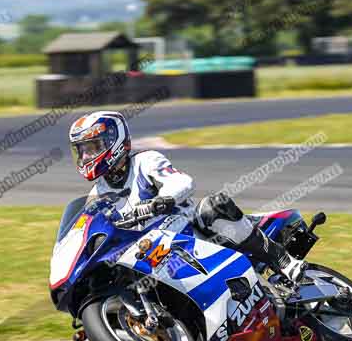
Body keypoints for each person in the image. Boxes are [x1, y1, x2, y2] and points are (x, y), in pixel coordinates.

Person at [68, 110, 305, 282]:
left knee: (213, 206)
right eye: (83, 150)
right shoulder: (96, 194)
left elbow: (182, 182)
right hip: (150, 252)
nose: (87, 156)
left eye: (93, 147)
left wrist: (161, 201)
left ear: (114, 141)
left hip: (190, 231)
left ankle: (281, 260)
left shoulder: (144, 161)